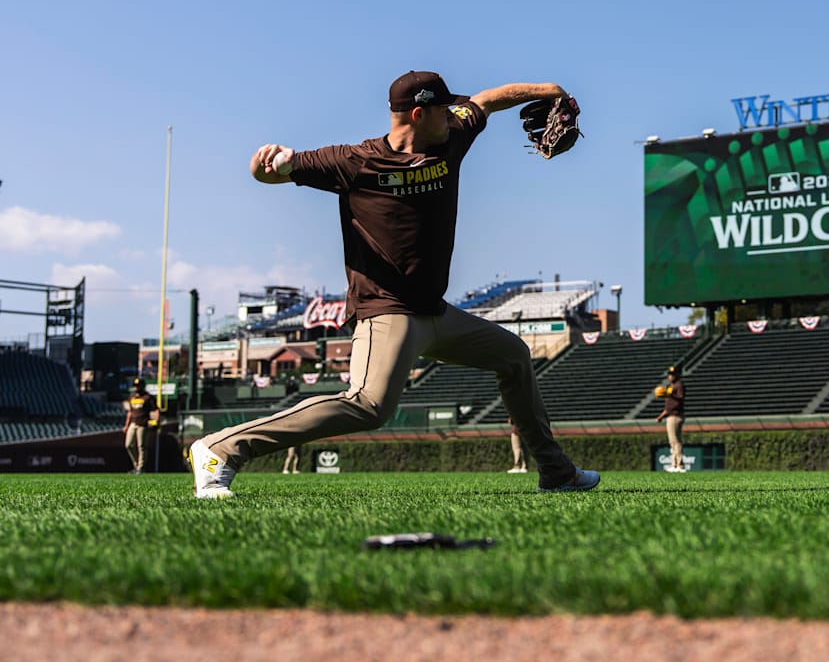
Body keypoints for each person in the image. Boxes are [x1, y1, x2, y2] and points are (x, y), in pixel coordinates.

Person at [189, 70, 600, 498]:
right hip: (386, 310)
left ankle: (556, 472)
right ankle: (220, 449)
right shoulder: (354, 161)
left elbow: (489, 99)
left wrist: (551, 91)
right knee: (367, 404)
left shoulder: (451, 134)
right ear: (418, 114)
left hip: (434, 312)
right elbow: (270, 173)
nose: (454, 115)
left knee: (513, 356)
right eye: (443, 110)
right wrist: (266, 162)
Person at [654, 365, 686, 472]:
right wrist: (661, 416)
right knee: (673, 441)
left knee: (675, 441)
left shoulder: (679, 385)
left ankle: (679, 465)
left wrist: (669, 394)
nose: (670, 376)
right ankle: (675, 464)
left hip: (675, 416)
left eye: (672, 374)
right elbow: (669, 406)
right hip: (671, 415)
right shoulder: (671, 386)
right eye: (669, 374)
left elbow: (680, 399)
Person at [123, 377, 157, 474]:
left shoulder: (148, 397)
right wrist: (126, 425)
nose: (137, 388)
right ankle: (136, 464)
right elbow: (130, 412)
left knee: (141, 446)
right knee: (128, 445)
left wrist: (155, 421)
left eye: (138, 386)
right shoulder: (132, 397)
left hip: (143, 423)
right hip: (133, 423)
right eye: (135, 386)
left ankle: (141, 467)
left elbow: (156, 409)